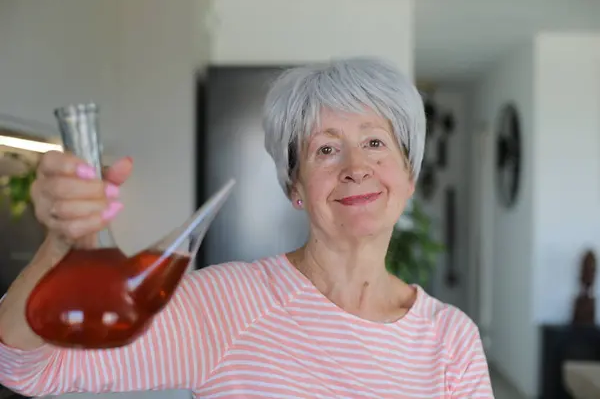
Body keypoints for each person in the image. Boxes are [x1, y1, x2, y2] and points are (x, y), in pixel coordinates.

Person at [0, 57, 494, 398]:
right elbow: (28, 368)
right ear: (294, 186)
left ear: (408, 177)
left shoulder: (451, 339)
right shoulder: (224, 306)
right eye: (325, 148)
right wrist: (60, 249)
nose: (355, 166)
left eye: (375, 143)